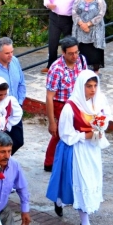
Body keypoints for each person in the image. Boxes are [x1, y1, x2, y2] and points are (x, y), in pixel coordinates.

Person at [49, 70, 110, 225]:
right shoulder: (70, 107)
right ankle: (85, 224)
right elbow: (66, 134)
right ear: (80, 86)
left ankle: (61, 201)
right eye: (89, 86)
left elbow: (106, 119)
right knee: (81, 182)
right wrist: (86, 135)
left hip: (93, 150)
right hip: (77, 150)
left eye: (95, 85)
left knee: (91, 180)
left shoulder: (100, 102)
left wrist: (100, 130)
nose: (93, 89)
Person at [45, 36, 87, 172]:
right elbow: (49, 97)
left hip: (78, 103)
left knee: (78, 131)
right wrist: (51, 121)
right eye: (71, 53)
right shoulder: (56, 69)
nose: (75, 56)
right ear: (63, 53)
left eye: (76, 52)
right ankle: (49, 162)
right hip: (61, 104)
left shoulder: (82, 60)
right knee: (59, 133)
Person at [0, 37, 27, 152]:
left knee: (18, 141)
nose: (11, 55)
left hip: (15, 109)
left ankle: (3, 163)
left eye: (12, 52)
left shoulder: (15, 61)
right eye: (7, 53)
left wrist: (20, 103)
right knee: (0, 144)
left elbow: (22, 83)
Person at [43, 0, 84, 73]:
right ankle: (50, 66)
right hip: (55, 18)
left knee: (69, 44)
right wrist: (48, 5)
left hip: (69, 20)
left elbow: (82, 3)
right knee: (52, 42)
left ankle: (68, 66)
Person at [72, 0, 108, 72]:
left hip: (95, 31)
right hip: (80, 30)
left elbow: (101, 14)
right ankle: (82, 70)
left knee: (94, 53)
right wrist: (81, 24)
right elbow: (74, 12)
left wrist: (88, 24)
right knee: (82, 51)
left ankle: (95, 72)